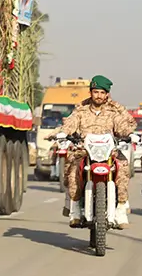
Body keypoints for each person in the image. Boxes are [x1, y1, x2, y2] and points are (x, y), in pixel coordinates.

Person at [56, 75, 136, 229]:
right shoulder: (81, 110)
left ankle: (120, 209)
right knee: (72, 171)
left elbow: (121, 126)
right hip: (84, 151)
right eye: (95, 92)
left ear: (107, 95)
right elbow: (71, 122)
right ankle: (75, 211)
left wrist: (130, 134)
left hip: (108, 152)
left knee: (123, 167)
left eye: (102, 92)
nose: (98, 96)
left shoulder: (113, 112)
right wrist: (63, 132)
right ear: (90, 93)